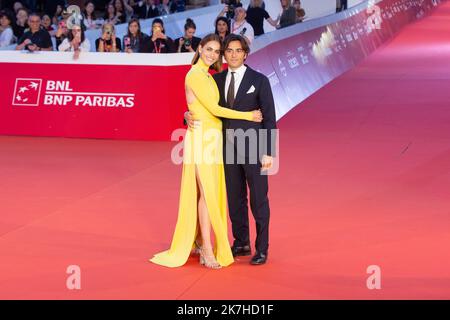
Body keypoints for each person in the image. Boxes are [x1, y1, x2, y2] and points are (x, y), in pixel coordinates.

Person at [150, 33, 263, 269]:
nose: (212, 54)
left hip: (213, 139)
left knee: (208, 194)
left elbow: (202, 106)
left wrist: (187, 112)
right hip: (202, 139)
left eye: (216, 51)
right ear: (199, 49)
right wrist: (248, 115)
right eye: (209, 49)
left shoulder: (209, 75)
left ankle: (202, 242)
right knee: (207, 194)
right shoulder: (195, 74)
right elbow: (214, 107)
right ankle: (207, 251)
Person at [185, 34, 277, 265]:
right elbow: (203, 106)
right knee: (235, 200)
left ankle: (262, 248)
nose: (233, 55)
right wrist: (185, 115)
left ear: (245, 54)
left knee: (258, 200)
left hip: (255, 147)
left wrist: (269, 152)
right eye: (229, 51)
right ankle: (241, 242)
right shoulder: (215, 80)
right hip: (225, 149)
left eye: (238, 51)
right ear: (223, 54)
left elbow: (269, 118)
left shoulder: (260, 80)